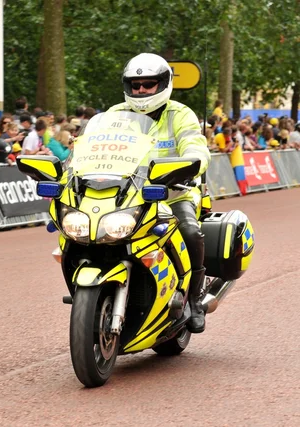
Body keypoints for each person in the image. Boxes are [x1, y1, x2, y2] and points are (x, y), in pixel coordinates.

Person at [108, 53, 211, 334]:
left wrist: (192, 164)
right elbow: (87, 150)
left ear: (162, 84)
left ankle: (195, 298)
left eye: (148, 84)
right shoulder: (114, 115)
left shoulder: (180, 113)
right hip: (127, 197)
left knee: (189, 231)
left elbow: (195, 144)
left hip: (174, 194)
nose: (141, 90)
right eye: (136, 84)